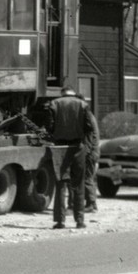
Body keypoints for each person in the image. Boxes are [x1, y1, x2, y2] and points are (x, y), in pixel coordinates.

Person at [48, 86, 97, 229]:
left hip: (60, 148)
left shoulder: (54, 104)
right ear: (74, 94)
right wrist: (86, 146)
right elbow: (90, 127)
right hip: (78, 148)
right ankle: (79, 221)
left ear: (62, 93)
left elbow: (49, 126)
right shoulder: (83, 104)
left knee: (60, 185)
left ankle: (60, 221)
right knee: (78, 185)